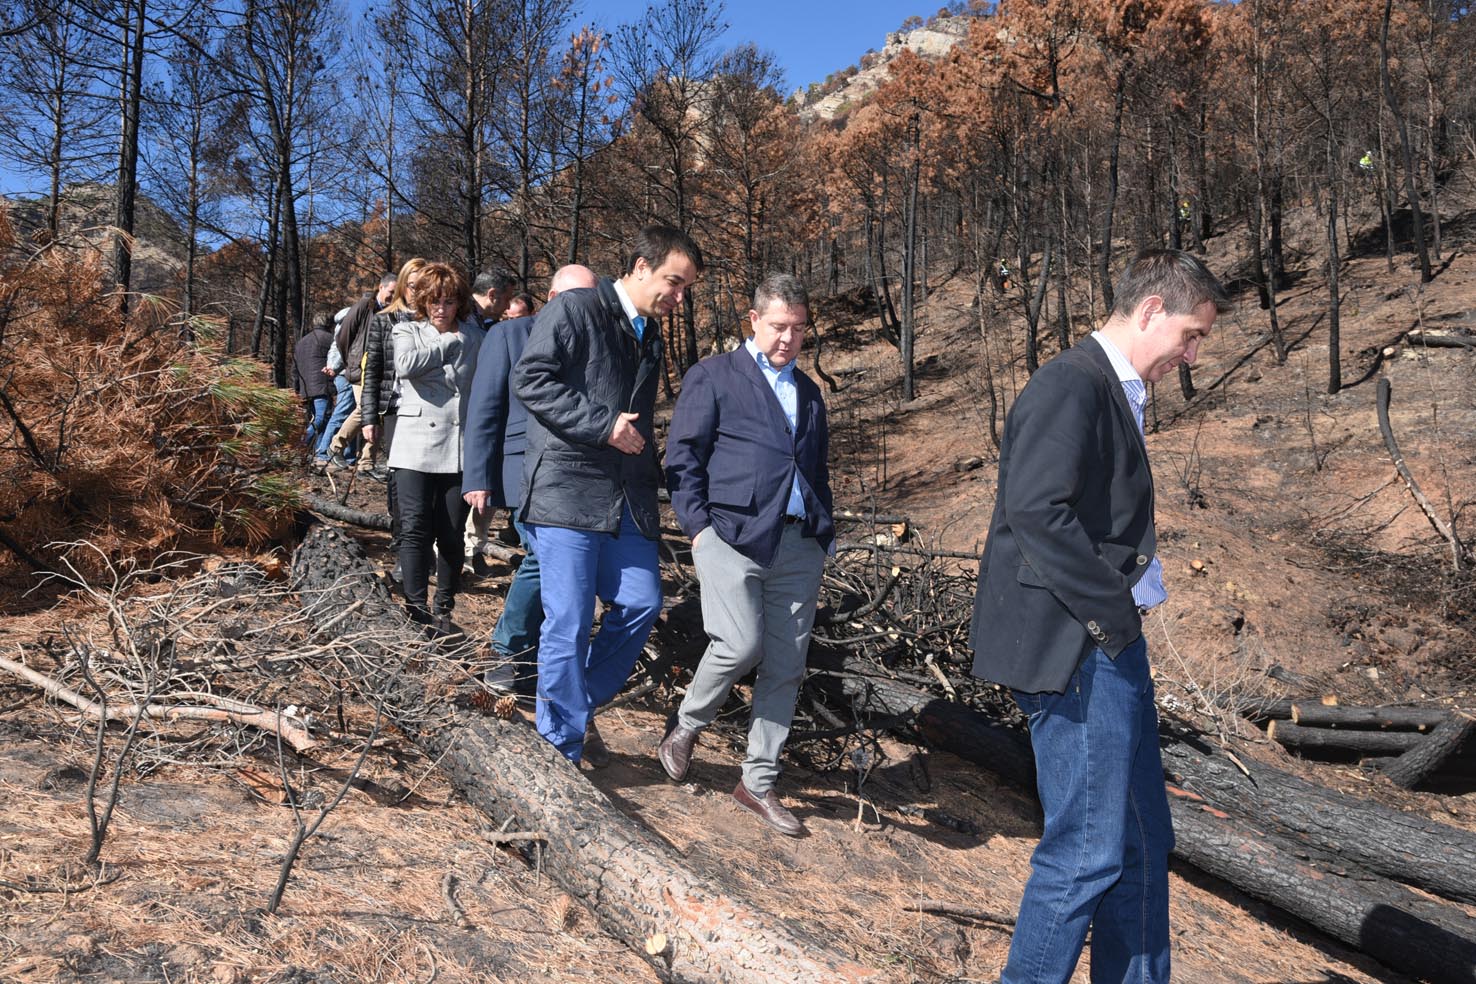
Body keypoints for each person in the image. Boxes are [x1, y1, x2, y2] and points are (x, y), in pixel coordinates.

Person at [969, 248, 1230, 984]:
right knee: (1084, 855)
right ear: (1150, 311)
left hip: (1107, 647)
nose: (1192, 353)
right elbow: (1036, 512)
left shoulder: (1113, 388)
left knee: (1144, 845)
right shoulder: (1071, 384)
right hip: (1077, 649)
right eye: (1190, 335)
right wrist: (1113, 614)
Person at [511, 224, 703, 766]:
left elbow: (636, 425)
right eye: (674, 281)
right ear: (640, 267)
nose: (679, 296)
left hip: (624, 499)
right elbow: (531, 380)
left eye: (686, 287)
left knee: (642, 602)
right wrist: (603, 425)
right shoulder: (573, 309)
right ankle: (559, 749)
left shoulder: (650, 332)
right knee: (568, 621)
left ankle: (572, 704)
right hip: (566, 490)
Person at [659, 273, 834, 837]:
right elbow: (682, 457)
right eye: (779, 326)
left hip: (798, 544)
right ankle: (687, 724)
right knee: (740, 643)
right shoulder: (713, 376)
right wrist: (699, 531)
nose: (788, 338)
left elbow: (813, 466)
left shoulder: (808, 392)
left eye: (799, 328)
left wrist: (821, 529)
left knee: (786, 666)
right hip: (730, 537)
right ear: (753, 321)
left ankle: (757, 782)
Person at [463, 264, 598, 696]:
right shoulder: (509, 334)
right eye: (573, 299)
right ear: (553, 297)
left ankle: (533, 658)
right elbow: (484, 408)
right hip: (522, 469)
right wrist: (478, 477)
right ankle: (506, 651)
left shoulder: (600, 341)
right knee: (544, 557)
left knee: (561, 564)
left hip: (580, 474)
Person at [388, 262, 484, 634]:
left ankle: (443, 605)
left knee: (450, 531)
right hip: (413, 446)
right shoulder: (407, 330)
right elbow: (407, 365)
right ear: (423, 303)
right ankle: (415, 609)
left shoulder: (478, 337)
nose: (440, 309)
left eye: (448, 301)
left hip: (459, 446)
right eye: (433, 301)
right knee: (414, 528)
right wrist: (448, 342)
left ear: (459, 302)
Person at [364, 257, 429, 580]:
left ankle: (423, 547)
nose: (417, 291)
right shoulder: (382, 321)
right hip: (396, 410)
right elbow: (372, 372)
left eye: (423, 285)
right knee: (400, 484)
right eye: (412, 284)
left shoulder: (439, 320)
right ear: (403, 285)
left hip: (434, 413)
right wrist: (368, 418)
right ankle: (404, 549)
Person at [466, 270, 517, 562]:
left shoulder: (488, 324)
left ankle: (474, 547)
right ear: (492, 294)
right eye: (507, 298)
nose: (508, 306)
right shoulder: (464, 320)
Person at [325, 273, 397, 471]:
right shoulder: (364, 306)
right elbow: (343, 336)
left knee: (379, 411)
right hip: (360, 368)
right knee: (366, 408)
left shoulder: (391, 311)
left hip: (381, 368)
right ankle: (335, 446)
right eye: (391, 292)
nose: (393, 296)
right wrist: (353, 360)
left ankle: (366, 463)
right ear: (381, 288)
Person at [292, 312, 335, 455]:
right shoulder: (329, 339)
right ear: (329, 324)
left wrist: (297, 388)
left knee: (321, 419)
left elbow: (295, 368)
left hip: (306, 387)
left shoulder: (301, 342)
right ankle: (300, 445)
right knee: (321, 419)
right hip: (321, 386)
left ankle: (318, 452)